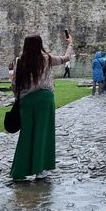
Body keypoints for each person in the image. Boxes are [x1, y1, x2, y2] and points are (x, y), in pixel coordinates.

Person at [10, 32, 74, 181]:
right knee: (43, 133)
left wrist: (18, 98)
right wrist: (70, 43)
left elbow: (14, 83)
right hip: (44, 99)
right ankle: (40, 169)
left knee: (26, 134)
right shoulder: (47, 59)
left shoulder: (20, 61)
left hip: (26, 101)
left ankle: (19, 171)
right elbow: (65, 58)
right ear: (40, 44)